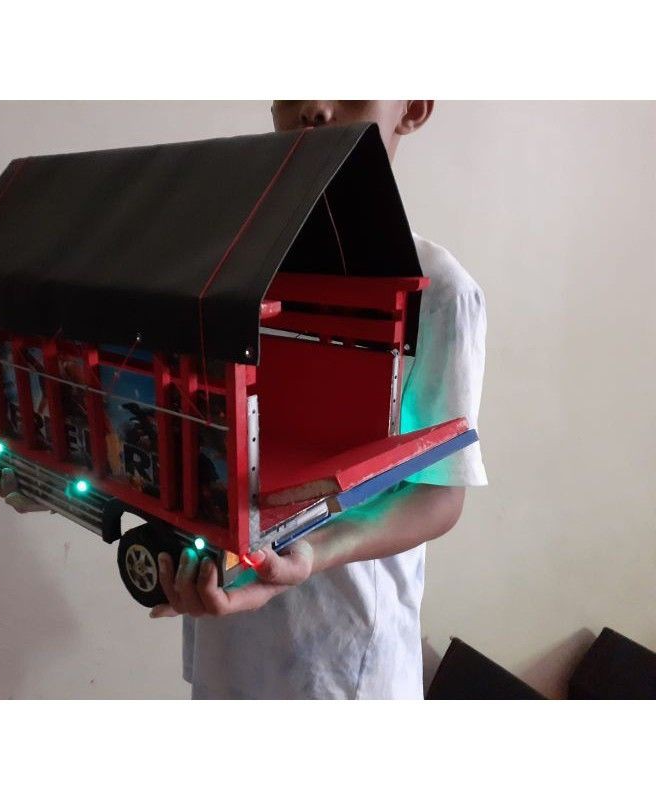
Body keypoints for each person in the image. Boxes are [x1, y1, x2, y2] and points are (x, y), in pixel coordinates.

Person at [151, 101, 488, 699]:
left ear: (413, 108)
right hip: (227, 634)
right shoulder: (226, 266)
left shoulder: (439, 290)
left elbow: (440, 494)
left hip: (342, 657)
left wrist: (315, 550)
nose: (315, 105)